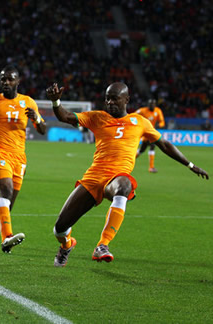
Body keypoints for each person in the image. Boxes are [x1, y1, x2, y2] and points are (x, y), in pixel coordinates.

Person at [45, 82, 209, 267]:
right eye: (107, 98)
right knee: (59, 228)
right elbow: (65, 116)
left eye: (114, 98)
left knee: (124, 185)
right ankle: (67, 245)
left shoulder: (140, 122)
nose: (110, 102)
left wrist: (190, 164)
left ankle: (103, 245)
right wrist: (56, 101)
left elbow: (165, 144)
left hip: (115, 178)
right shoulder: (97, 117)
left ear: (126, 99)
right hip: (93, 178)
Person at [0, 65, 47, 253]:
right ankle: (6, 238)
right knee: (5, 190)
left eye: (10, 79)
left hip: (19, 158)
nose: (6, 82)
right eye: (3, 79)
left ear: (17, 81)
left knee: (7, 204)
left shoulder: (28, 102)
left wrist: (37, 119)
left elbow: (42, 130)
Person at [135, 99, 165, 173]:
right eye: (150, 104)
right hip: (145, 132)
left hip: (152, 132)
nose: (151, 105)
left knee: (143, 149)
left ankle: (129, 160)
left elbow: (162, 122)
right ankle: (151, 167)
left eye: (153, 104)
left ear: (155, 105)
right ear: (148, 105)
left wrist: (159, 125)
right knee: (150, 147)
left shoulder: (158, 111)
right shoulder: (142, 110)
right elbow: (133, 115)